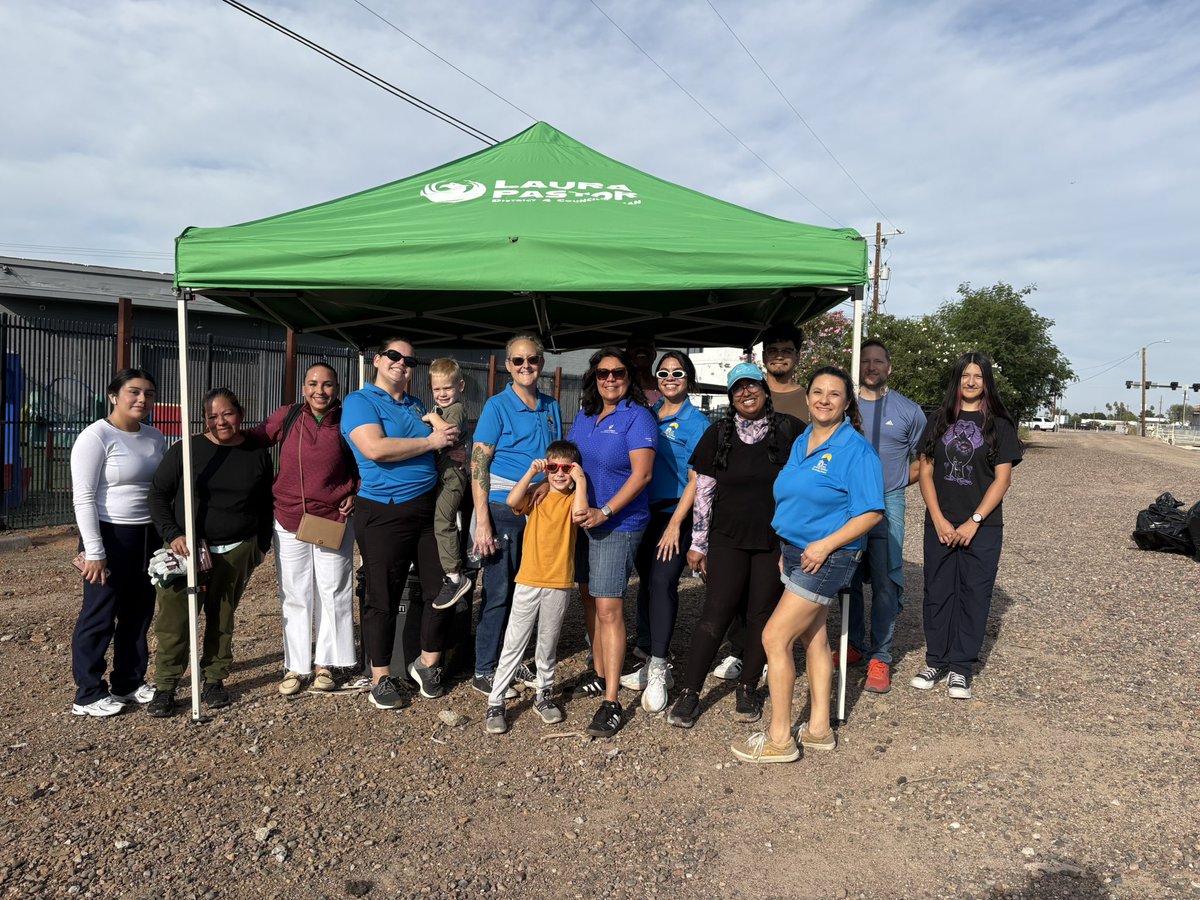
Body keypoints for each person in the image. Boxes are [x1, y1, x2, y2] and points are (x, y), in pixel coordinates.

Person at [731, 367, 883, 763]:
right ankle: (818, 730)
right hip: (798, 550)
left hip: (829, 556)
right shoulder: (803, 441)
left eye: (835, 394)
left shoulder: (856, 450)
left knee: (773, 637)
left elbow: (870, 514)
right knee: (813, 638)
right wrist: (792, 542)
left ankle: (780, 738)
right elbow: (794, 496)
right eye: (818, 392)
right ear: (808, 397)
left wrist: (823, 546)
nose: (825, 399)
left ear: (847, 402)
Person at [667, 362, 801, 730]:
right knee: (716, 614)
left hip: (773, 540)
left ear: (764, 389)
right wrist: (698, 543)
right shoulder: (717, 434)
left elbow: (816, 464)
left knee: (761, 616)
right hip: (726, 539)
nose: (746, 393)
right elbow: (704, 492)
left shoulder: (789, 431)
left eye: (752, 385)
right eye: (738, 388)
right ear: (730, 396)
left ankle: (747, 686)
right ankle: (691, 692)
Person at [342, 338, 460, 710]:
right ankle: (380, 676)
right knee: (383, 597)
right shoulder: (360, 402)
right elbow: (375, 448)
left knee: (442, 590)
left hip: (427, 510)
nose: (402, 364)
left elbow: (447, 437)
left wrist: (441, 436)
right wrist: (430, 443)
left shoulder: (416, 404)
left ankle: (427, 663)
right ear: (377, 360)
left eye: (410, 360)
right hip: (384, 511)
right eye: (394, 356)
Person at [146, 387, 274, 717]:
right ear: (204, 420)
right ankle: (166, 685)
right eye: (212, 416)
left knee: (223, 616)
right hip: (186, 550)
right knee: (175, 620)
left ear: (241, 414)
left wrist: (260, 545)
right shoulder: (187, 450)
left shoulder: (256, 452)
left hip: (236, 549)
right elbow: (158, 495)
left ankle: (214, 679)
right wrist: (173, 534)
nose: (220, 421)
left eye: (227, 414)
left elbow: (265, 502)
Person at [912, 352, 1022, 700]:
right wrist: (940, 518)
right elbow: (925, 472)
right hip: (940, 524)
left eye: (978, 376)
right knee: (938, 590)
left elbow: (1001, 480)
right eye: (965, 376)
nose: (971, 382)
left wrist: (974, 520)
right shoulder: (938, 420)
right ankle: (936, 660)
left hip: (983, 527)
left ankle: (961, 667)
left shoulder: (1000, 425)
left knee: (974, 594)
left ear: (986, 382)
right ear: (956, 381)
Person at [708, 322, 811, 682]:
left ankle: (775, 653)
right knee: (739, 594)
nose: (779, 356)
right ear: (763, 358)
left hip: (784, 517)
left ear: (797, 356)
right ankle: (743, 652)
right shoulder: (741, 402)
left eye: (786, 350)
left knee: (775, 594)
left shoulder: (807, 399)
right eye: (773, 350)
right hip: (740, 517)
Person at [249, 363, 358, 696]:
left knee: (334, 590)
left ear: (337, 388)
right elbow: (253, 438)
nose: (319, 391)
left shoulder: (348, 419)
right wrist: (217, 433)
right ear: (303, 388)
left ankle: (327, 663)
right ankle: (295, 666)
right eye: (313, 384)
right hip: (288, 516)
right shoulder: (288, 416)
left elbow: (366, 459)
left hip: (331, 517)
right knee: (295, 593)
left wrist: (356, 490)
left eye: (327, 385)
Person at [567, 347, 657, 738]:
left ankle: (612, 699)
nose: (610, 379)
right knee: (588, 596)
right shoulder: (585, 416)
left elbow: (642, 476)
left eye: (618, 372)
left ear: (628, 377)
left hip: (618, 523)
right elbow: (570, 465)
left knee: (609, 608)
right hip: (584, 521)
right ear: (594, 378)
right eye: (603, 373)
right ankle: (600, 669)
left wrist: (605, 511)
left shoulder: (637, 416)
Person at [69, 368, 166, 716]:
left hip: (147, 536)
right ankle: (88, 693)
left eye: (149, 394)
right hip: (109, 534)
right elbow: (83, 497)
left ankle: (129, 682)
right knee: (99, 614)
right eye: (134, 392)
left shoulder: (155, 437)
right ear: (114, 396)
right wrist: (94, 550)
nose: (143, 399)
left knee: (138, 613)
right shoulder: (96, 437)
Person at [470, 335, 563, 698]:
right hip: (503, 508)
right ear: (507, 365)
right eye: (519, 361)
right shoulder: (497, 406)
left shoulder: (551, 405)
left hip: (540, 511)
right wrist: (482, 520)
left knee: (527, 590)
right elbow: (480, 463)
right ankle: (485, 668)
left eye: (533, 360)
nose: (526, 366)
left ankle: (512, 657)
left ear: (541, 363)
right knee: (499, 591)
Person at [622, 351, 710, 713]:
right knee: (646, 583)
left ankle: (660, 666)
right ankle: (646, 650)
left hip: (676, 515)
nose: (670, 378)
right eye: (663, 373)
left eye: (678, 372)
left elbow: (698, 478)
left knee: (662, 582)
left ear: (689, 378)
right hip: (644, 512)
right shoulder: (648, 416)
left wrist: (676, 524)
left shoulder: (698, 423)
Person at [485, 441, 588, 735]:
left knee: (548, 642)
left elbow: (581, 514)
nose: (559, 474)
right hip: (529, 578)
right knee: (514, 642)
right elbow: (512, 501)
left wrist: (580, 481)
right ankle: (496, 700)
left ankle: (543, 694)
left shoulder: (573, 498)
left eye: (566, 469)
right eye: (553, 467)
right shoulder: (537, 496)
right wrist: (532, 475)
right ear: (546, 466)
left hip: (559, 581)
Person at [843, 339, 927, 693]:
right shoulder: (846, 407)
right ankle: (854, 645)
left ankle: (881, 655)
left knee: (885, 579)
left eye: (878, 361)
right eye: (865, 362)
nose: (872, 367)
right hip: (847, 501)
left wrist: (892, 485)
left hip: (888, 500)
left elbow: (924, 461)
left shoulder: (910, 411)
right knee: (847, 576)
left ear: (889, 368)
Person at [424, 357, 473, 611]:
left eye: (448, 388)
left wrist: (432, 417)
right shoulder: (441, 409)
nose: (443, 394)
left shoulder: (456, 410)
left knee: (444, 521)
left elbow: (448, 432)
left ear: (461, 386)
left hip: (453, 475)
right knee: (436, 519)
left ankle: (455, 575)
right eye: (437, 389)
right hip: (442, 473)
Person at [625, 334, 660, 405]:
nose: (641, 348)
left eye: (647, 346)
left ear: (655, 354)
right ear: (627, 354)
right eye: (635, 346)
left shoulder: (663, 385)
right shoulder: (620, 385)